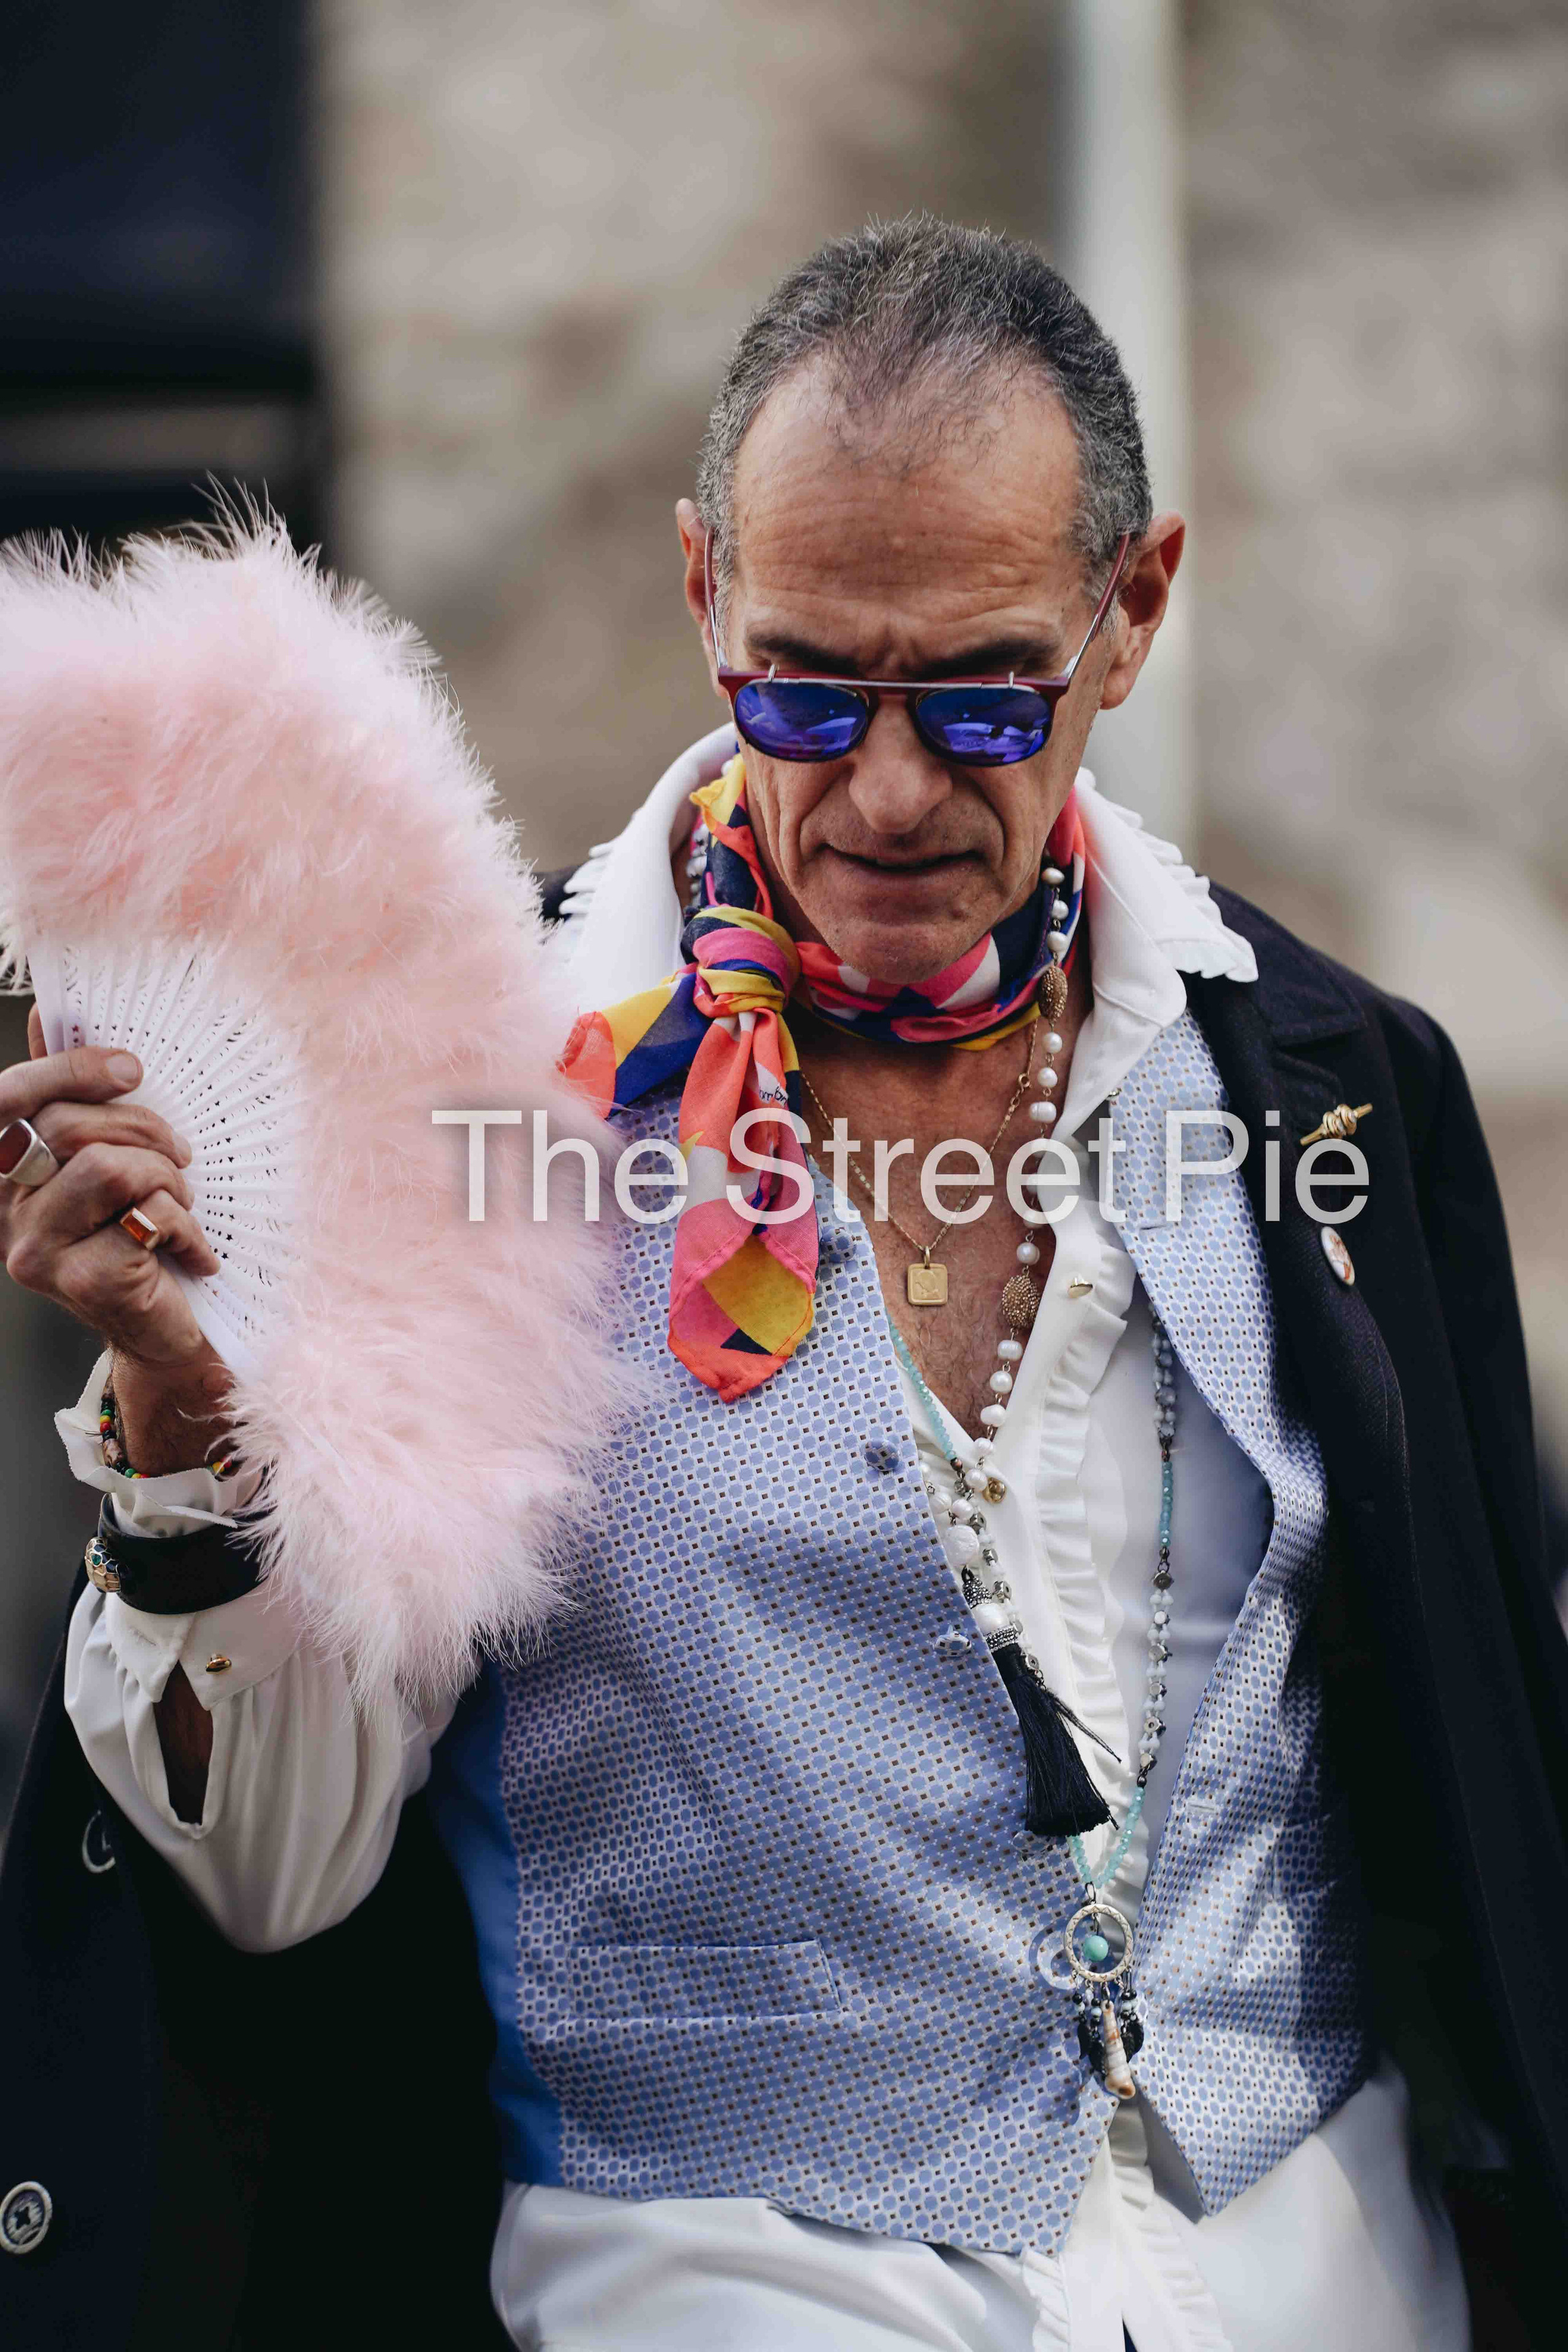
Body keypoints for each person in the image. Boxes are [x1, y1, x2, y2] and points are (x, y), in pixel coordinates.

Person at [1, 216, 1562, 2351]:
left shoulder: (1336, 1091)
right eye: (808, 688)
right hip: (735, 2284)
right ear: (701, 591)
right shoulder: (472, 1112)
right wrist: (186, 1443)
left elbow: (1476, 1748)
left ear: (1136, 611)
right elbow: (276, 1879)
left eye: (984, 693)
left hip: (1318, 2261)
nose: (891, 788)